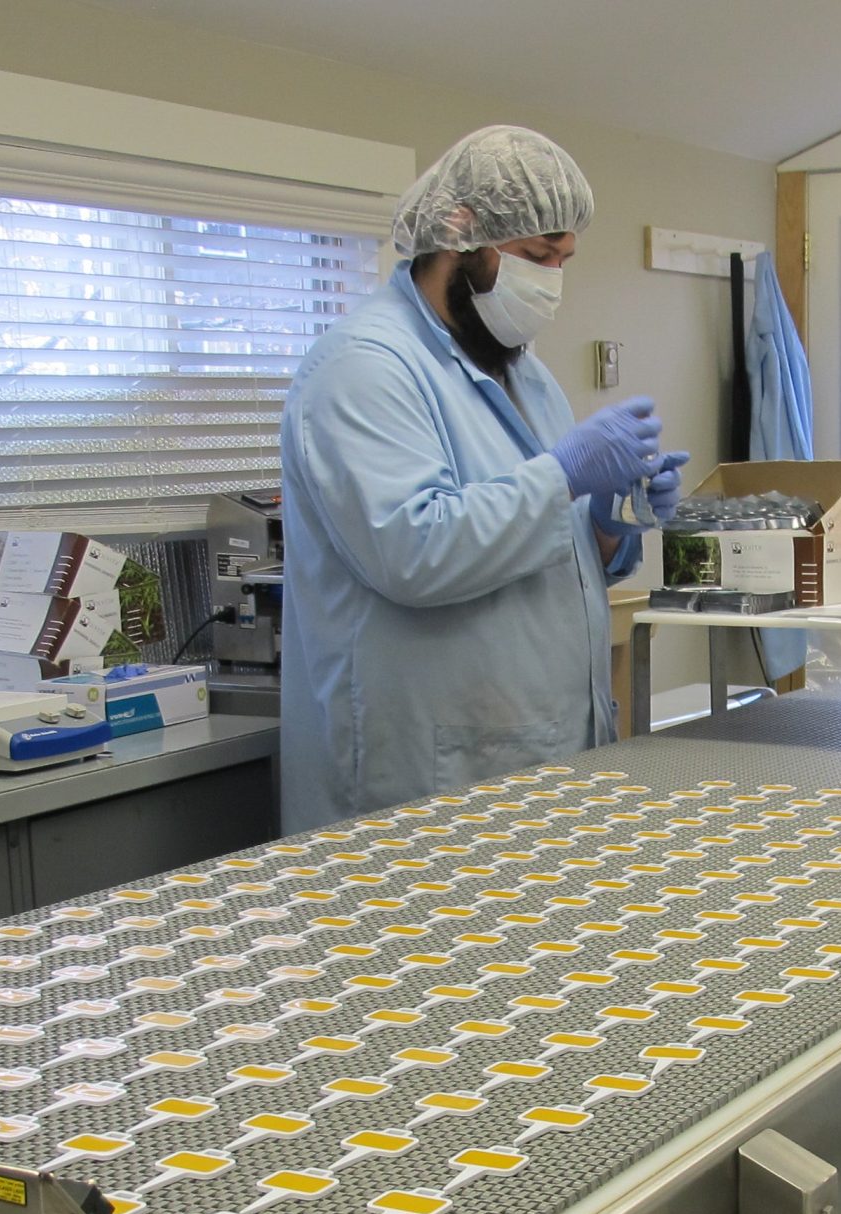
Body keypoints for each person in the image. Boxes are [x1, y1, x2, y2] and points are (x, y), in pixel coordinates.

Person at [278, 125, 689, 830]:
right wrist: (563, 473)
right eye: (536, 255)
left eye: (563, 259)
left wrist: (603, 524)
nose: (551, 281)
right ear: (461, 238)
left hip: (534, 759)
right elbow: (413, 551)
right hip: (425, 776)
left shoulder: (524, 372)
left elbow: (534, 545)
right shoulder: (363, 368)